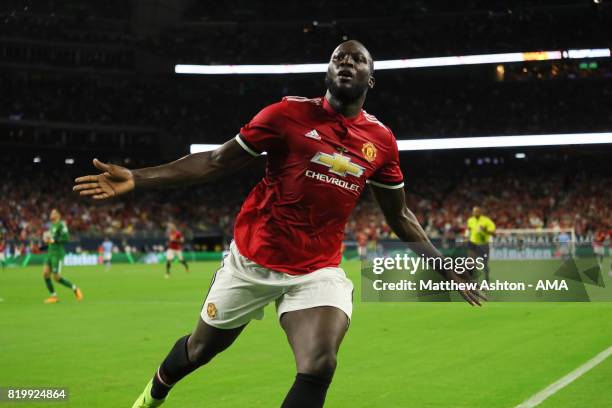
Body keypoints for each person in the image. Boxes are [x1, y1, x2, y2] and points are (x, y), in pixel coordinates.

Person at [74, 40, 484, 408]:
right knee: (200, 350)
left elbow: (399, 214)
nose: (346, 62)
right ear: (327, 72)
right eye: (338, 57)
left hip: (316, 269)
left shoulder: (380, 141)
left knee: (320, 362)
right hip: (253, 260)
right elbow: (215, 162)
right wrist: (138, 178)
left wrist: (443, 264)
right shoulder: (287, 115)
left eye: (357, 59)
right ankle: (154, 393)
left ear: (369, 78)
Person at [42, 209, 83, 304]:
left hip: (57, 254)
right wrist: (47, 240)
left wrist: (54, 240)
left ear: (58, 215)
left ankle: (75, 288)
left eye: (53, 213)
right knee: (45, 273)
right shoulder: (51, 226)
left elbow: (66, 238)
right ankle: (54, 296)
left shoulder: (61, 225)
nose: (51, 214)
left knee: (56, 277)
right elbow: (51, 240)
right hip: (50, 253)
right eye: (51, 212)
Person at [465, 206, 496, 282]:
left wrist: (485, 230)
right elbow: (468, 229)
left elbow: (493, 234)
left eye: (477, 211)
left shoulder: (486, 221)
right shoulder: (470, 220)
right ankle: (471, 281)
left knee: (484, 264)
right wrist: (466, 237)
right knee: (470, 263)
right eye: (474, 211)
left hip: (483, 244)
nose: (475, 213)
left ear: (480, 212)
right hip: (473, 243)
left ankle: (486, 280)